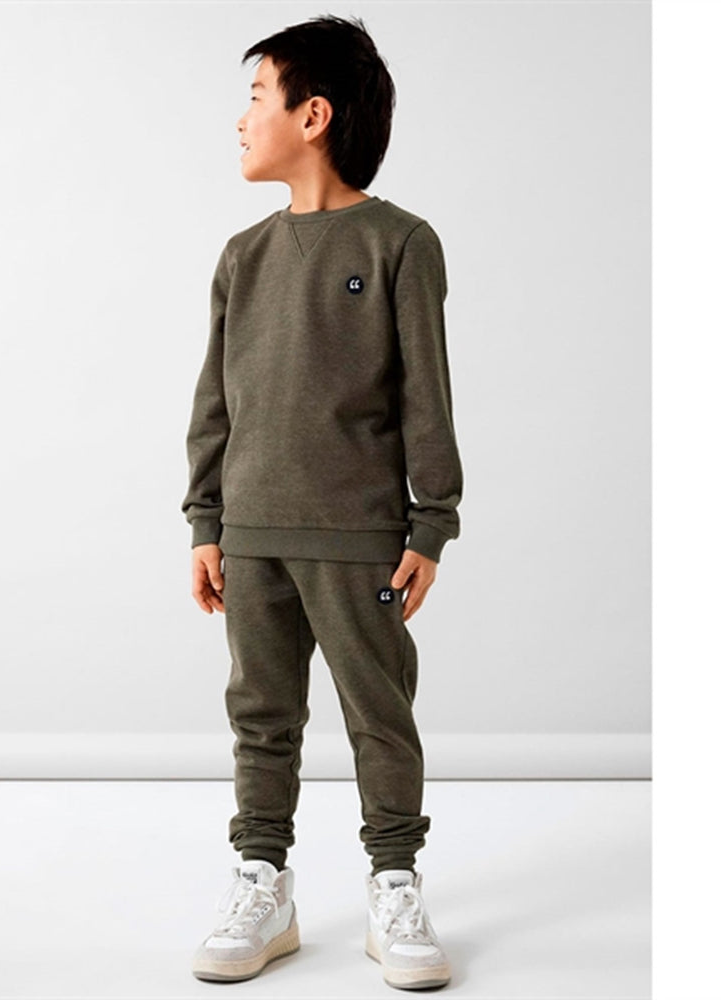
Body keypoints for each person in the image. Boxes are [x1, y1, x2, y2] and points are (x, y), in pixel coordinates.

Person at [180, 14, 462, 992]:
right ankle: (263, 880)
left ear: (313, 115)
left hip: (359, 538)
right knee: (261, 713)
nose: (241, 118)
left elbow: (425, 395)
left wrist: (432, 521)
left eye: (257, 96)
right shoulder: (242, 255)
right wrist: (205, 522)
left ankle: (395, 882)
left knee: (379, 713)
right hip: (251, 533)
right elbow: (215, 399)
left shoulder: (399, 243)